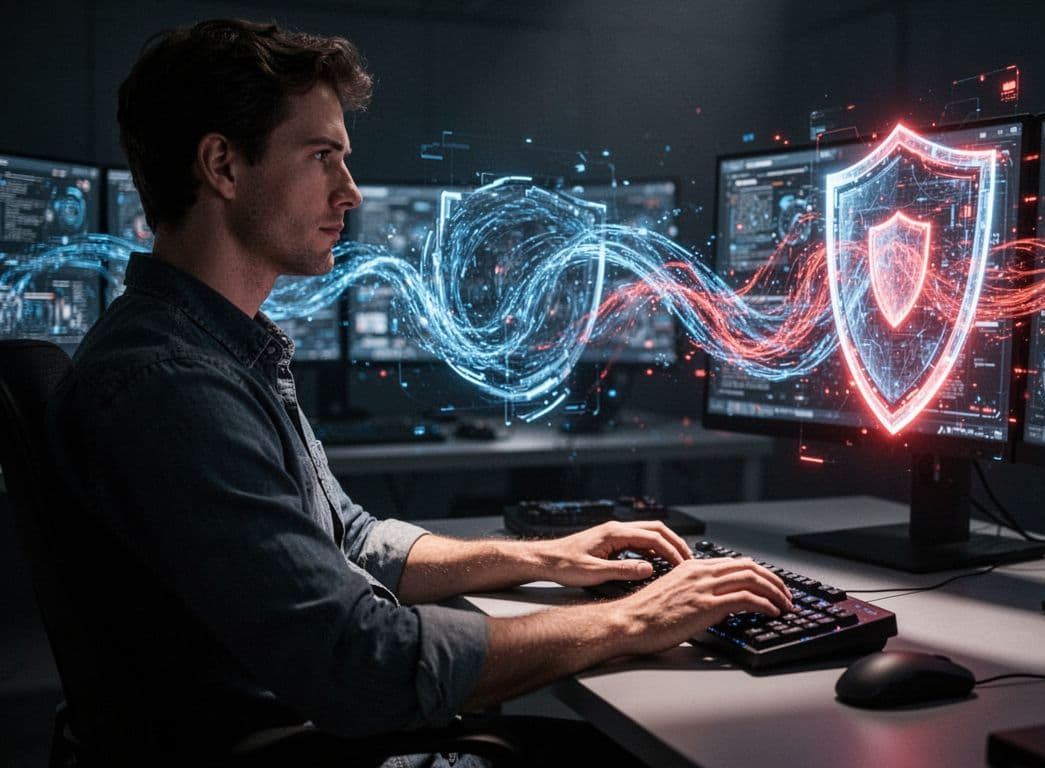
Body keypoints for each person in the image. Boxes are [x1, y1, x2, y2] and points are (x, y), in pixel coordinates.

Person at [46, 17, 792, 765]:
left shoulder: (215, 351)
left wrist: (543, 557)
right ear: (223, 166)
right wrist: (633, 620)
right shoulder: (173, 388)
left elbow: (352, 542)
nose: (351, 191)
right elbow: (363, 665)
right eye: (323, 157)